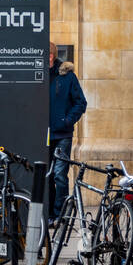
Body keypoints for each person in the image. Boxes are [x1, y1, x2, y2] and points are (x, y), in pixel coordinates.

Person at [48, 42, 87, 221]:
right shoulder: (38, 75)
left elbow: (81, 103)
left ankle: (60, 214)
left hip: (62, 134)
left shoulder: (67, 76)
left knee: (59, 175)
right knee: (46, 175)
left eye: (49, 54)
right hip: (43, 134)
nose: (46, 58)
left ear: (53, 55)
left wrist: (68, 120)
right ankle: (47, 214)